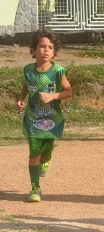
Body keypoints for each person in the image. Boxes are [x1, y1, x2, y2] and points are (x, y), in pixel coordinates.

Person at [17, 30, 73, 202]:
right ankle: (35, 189)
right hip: (33, 118)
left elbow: (69, 92)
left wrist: (53, 96)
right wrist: (21, 98)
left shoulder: (57, 71)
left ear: (55, 51)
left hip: (52, 120)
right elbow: (27, 85)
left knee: (45, 152)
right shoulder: (28, 70)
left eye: (50, 47)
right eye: (42, 46)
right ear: (33, 50)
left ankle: (46, 160)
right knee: (34, 151)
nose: (46, 50)